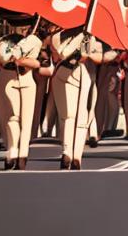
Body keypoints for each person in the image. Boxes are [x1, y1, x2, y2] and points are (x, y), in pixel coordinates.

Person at [0, 12, 44, 170]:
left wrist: (23, 58)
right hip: (8, 77)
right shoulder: (3, 41)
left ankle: (23, 154)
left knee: (27, 119)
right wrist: (17, 51)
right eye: (17, 24)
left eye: (25, 24)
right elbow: (1, 59)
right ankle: (12, 151)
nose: (22, 28)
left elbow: (38, 62)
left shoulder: (34, 41)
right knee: (12, 117)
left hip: (27, 78)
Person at [50, 24, 103, 170]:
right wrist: (80, 36)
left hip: (81, 73)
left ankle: (77, 157)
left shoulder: (89, 36)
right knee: (68, 116)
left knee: (82, 117)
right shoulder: (57, 35)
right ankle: (67, 152)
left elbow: (92, 56)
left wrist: (86, 40)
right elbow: (63, 53)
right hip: (63, 72)